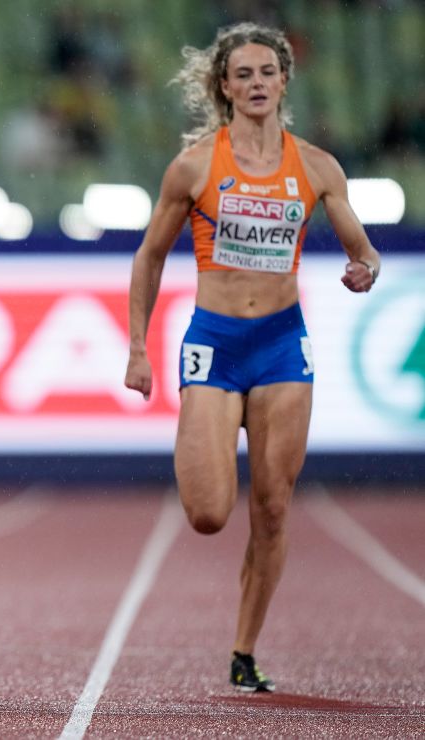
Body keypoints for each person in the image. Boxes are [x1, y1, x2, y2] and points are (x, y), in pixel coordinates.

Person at [124, 23, 379, 692]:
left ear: (284, 81)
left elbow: (361, 246)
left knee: (271, 508)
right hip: (215, 343)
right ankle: (200, 444)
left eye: (268, 71)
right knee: (209, 514)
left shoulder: (317, 167)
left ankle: (243, 650)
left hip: (281, 348)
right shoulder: (196, 166)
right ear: (225, 87)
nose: (257, 82)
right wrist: (137, 347)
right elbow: (150, 256)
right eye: (244, 74)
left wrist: (366, 266)